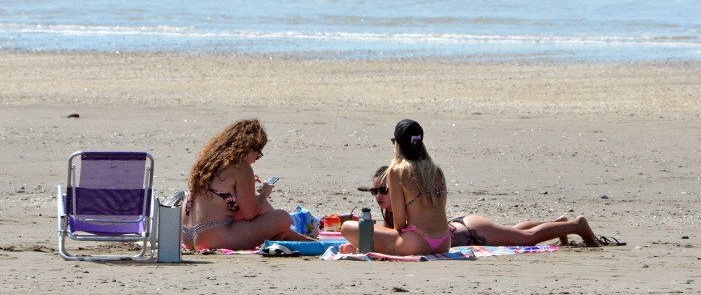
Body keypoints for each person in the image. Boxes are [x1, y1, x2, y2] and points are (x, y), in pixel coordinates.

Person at [358, 166, 604, 247]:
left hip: (469, 230)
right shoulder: (391, 213)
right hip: (464, 226)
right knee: (514, 230)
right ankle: (559, 224)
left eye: (383, 190)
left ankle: (576, 225)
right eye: (374, 191)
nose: (377, 195)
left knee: (526, 238)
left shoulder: (408, 207)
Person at [181, 118, 312, 250]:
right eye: (258, 153)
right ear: (249, 147)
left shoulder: (209, 162)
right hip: (213, 237)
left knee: (261, 208)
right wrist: (264, 194)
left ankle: (299, 238)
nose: (256, 160)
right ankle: (300, 239)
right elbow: (250, 214)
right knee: (282, 218)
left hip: (187, 235)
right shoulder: (241, 167)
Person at [339, 119, 451, 255]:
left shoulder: (396, 171)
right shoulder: (437, 170)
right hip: (444, 242)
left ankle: (361, 248)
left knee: (347, 227)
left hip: (418, 243)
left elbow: (399, 223)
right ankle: (362, 248)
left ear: (397, 145)